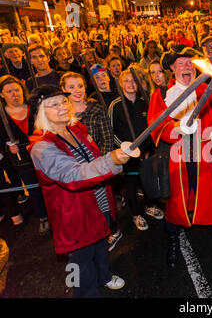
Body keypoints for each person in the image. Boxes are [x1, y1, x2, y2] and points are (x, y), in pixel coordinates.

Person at [27, 85, 129, 298]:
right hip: (73, 214)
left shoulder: (77, 129)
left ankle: (104, 276)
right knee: (80, 262)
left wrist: (110, 159)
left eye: (63, 102)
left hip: (97, 200)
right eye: (53, 105)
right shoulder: (41, 147)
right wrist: (112, 160)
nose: (62, 107)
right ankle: (82, 294)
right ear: (41, 113)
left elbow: (93, 158)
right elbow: (72, 175)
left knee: (101, 245)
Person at [147, 45, 212, 269]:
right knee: (176, 200)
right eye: (180, 63)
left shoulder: (209, 92)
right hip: (177, 157)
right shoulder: (161, 95)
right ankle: (173, 237)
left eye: (189, 63)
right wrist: (173, 129)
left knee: (211, 193)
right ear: (172, 68)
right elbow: (154, 126)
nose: (186, 67)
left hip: (206, 155)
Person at [108, 69, 164, 229]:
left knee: (147, 182)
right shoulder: (115, 105)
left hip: (146, 153)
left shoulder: (145, 102)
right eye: (126, 81)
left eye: (134, 81)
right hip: (126, 154)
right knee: (131, 186)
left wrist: (147, 150)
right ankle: (135, 214)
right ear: (120, 84)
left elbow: (152, 129)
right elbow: (112, 132)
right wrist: (127, 150)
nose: (131, 84)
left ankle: (150, 205)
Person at [0, 75, 49, 235]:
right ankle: (43, 217)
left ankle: (57, 212)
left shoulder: (33, 107)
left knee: (50, 183)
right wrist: (8, 149)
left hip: (44, 153)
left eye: (17, 89)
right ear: (2, 94)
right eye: (9, 91)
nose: (14, 94)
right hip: (21, 159)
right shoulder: (1, 116)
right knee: (34, 188)